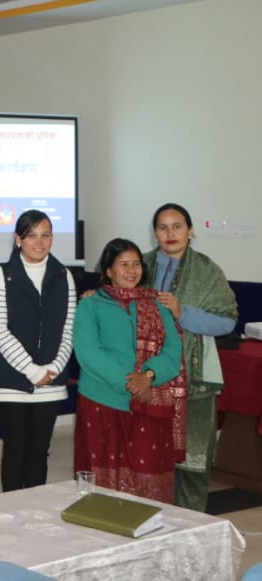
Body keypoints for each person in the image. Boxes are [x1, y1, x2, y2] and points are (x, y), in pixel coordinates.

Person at [74, 238, 185, 503]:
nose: (132, 270)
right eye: (124, 264)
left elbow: (173, 349)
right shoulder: (90, 305)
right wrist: (131, 384)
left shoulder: (157, 305)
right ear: (109, 270)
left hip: (149, 402)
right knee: (101, 482)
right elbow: (88, 352)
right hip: (101, 401)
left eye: (136, 264)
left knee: (148, 479)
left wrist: (148, 376)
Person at [144, 203, 237, 511]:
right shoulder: (139, 266)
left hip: (194, 382)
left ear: (190, 231)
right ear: (155, 233)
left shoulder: (207, 271)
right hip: (146, 379)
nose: (170, 233)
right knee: (148, 461)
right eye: (163, 227)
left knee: (192, 465)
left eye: (177, 226)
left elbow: (227, 321)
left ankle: (192, 526)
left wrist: (182, 312)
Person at [0, 210, 75, 493]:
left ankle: (35, 511)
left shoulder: (64, 275)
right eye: (32, 235)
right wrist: (33, 371)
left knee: (39, 453)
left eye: (46, 235)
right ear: (18, 239)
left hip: (51, 382)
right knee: (14, 451)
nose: (39, 242)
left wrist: (53, 368)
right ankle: (11, 512)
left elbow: (69, 328)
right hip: (11, 382)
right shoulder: (2, 275)